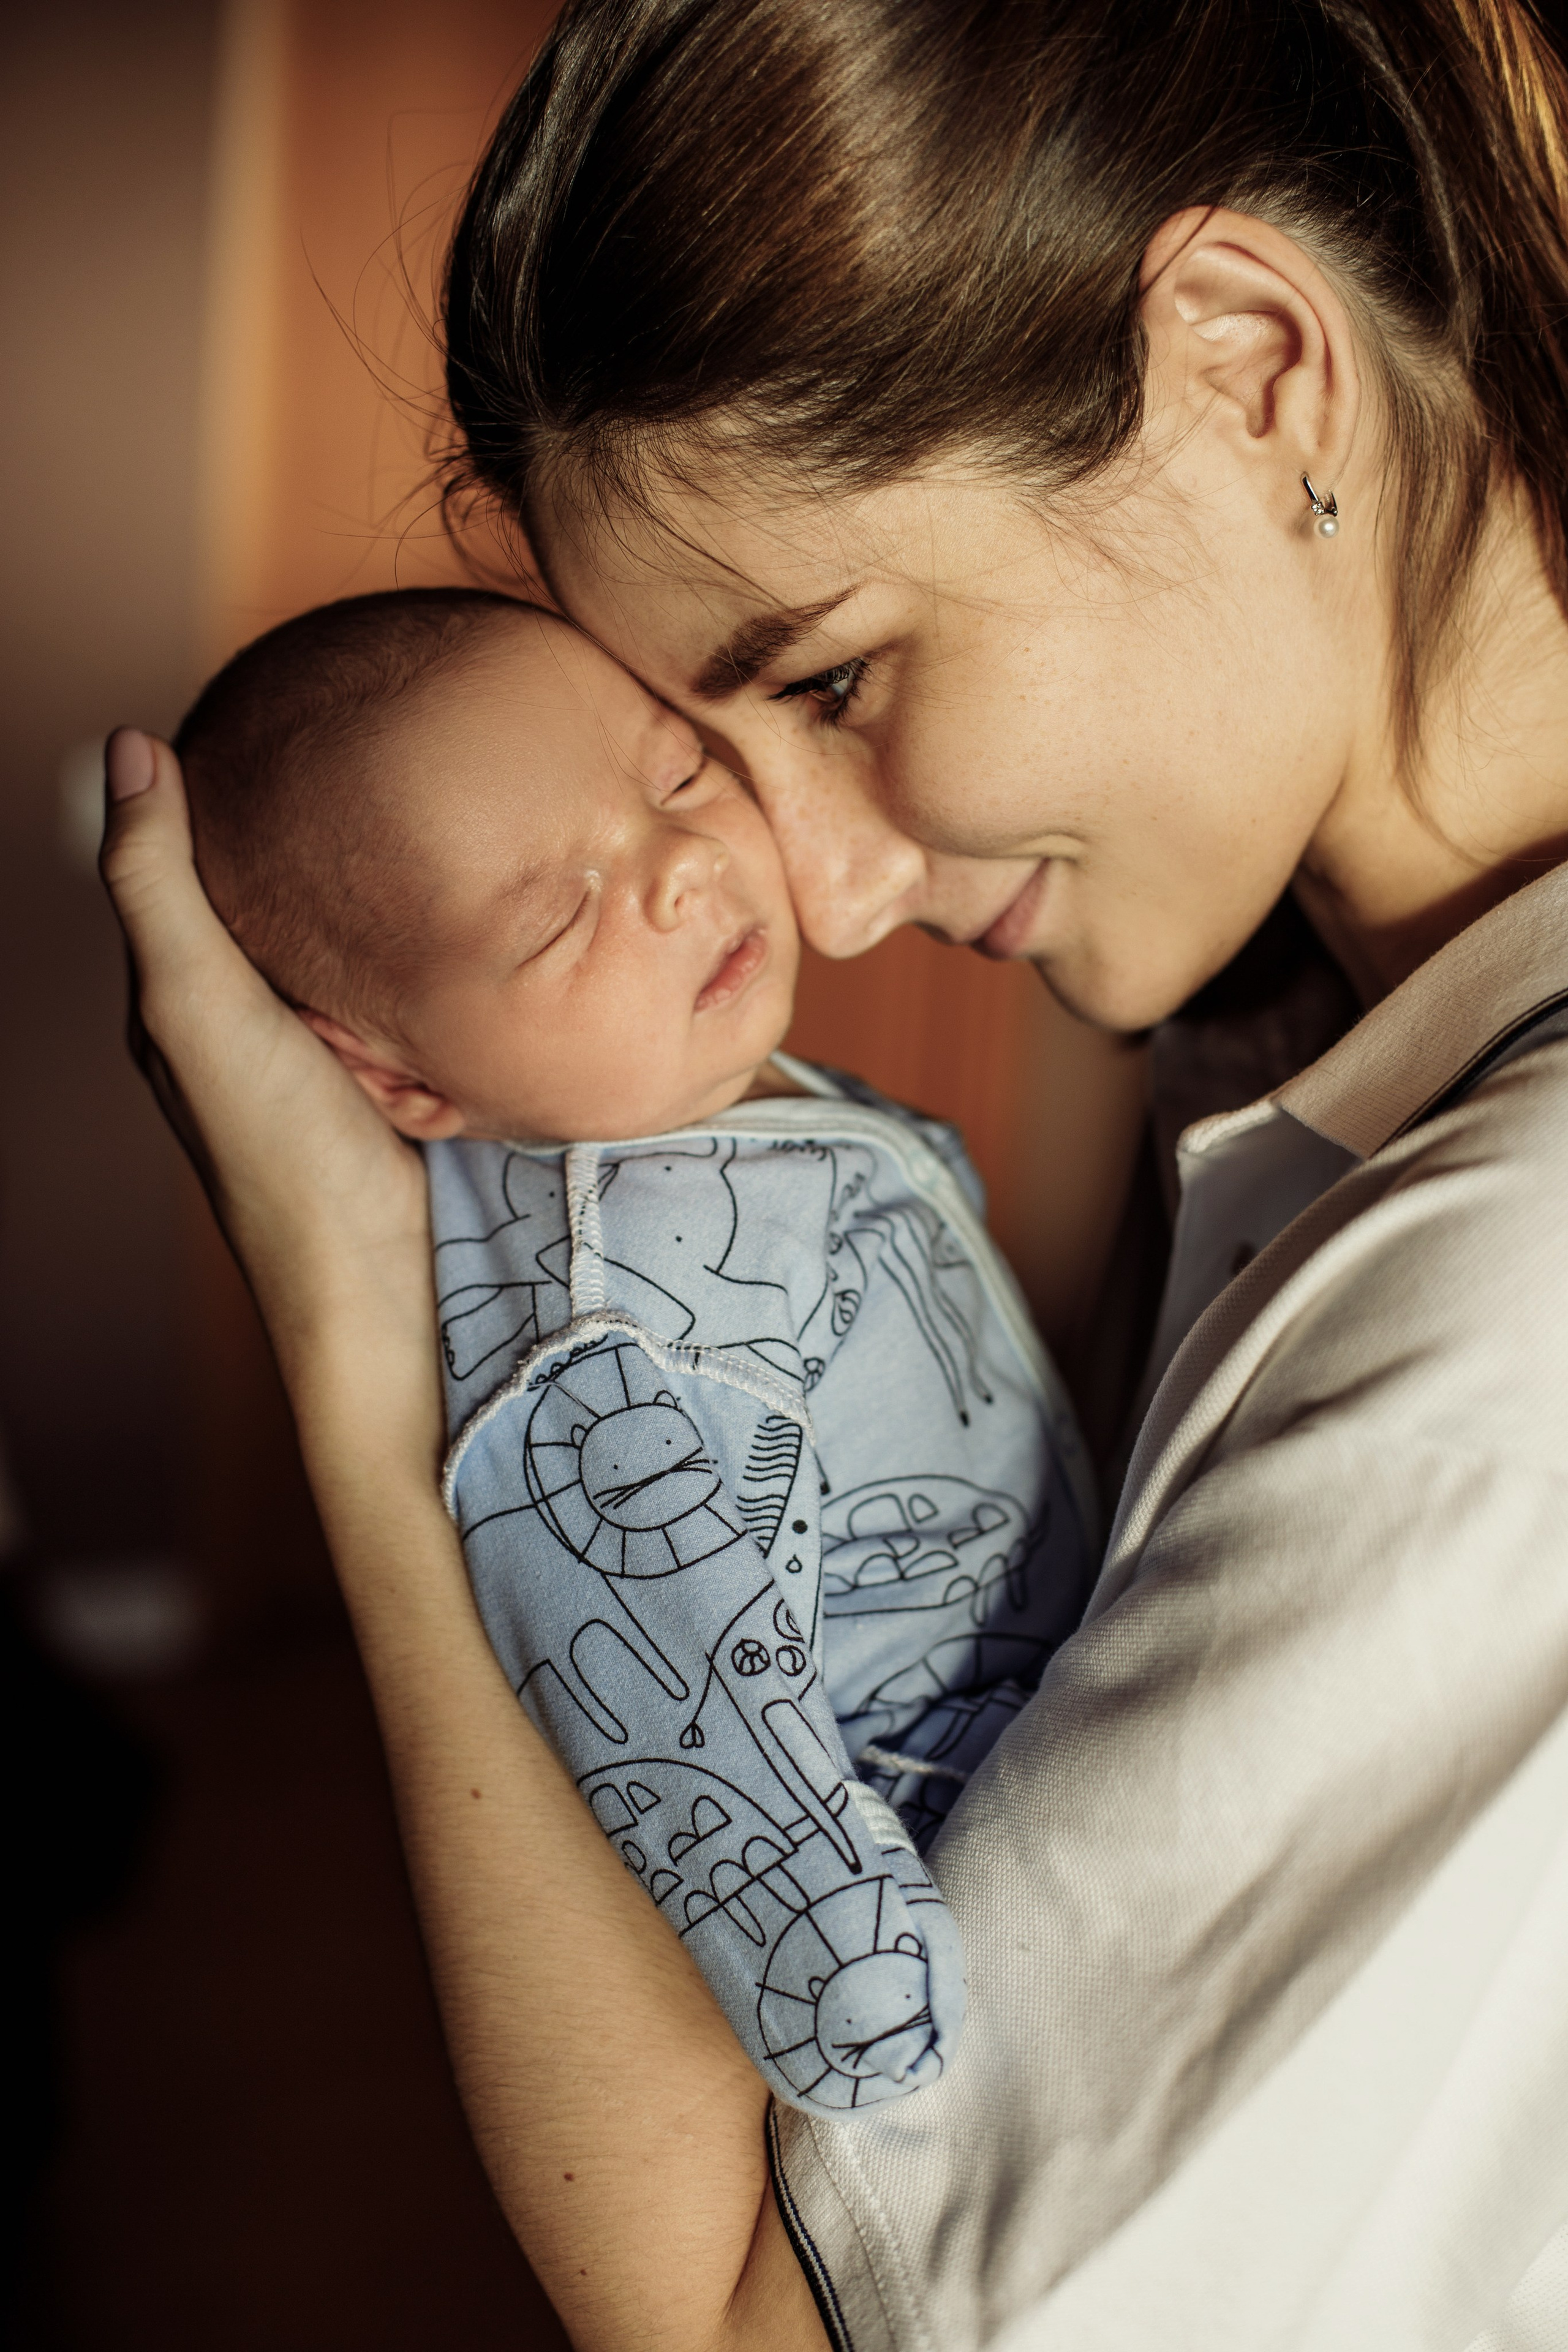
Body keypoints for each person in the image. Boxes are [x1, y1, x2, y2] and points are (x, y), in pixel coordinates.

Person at [100, 0, 1568, 2344]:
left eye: (836, 681)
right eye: (703, 742)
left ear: (1245, 363)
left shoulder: (1519, 1302)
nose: (817, 889)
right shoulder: (1336, 1056)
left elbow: (738, 2327)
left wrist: (384, 1366)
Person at [171, 584, 1093, 2112]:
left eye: (674, 775)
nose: (672, 869)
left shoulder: (669, 1095)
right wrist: (889, 2030)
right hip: (974, 1892)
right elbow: (692, 1743)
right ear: (396, 1079)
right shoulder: (608, 1370)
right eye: (554, 913)